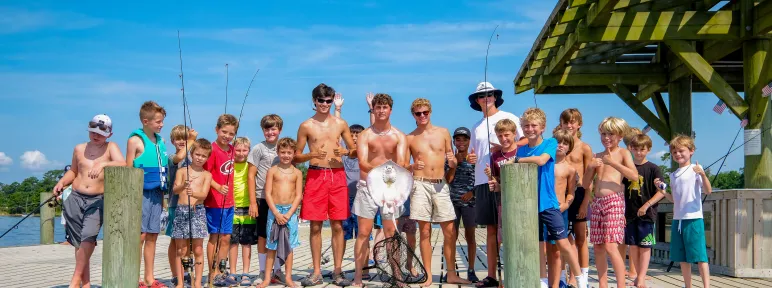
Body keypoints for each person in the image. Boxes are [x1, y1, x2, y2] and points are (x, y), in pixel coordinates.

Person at [497, 109, 586, 288]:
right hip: (529, 207)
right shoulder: (521, 149)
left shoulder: (550, 143)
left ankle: (580, 278)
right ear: (522, 128)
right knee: (538, 245)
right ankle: (542, 281)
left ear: (543, 127)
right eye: (526, 126)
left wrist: (515, 160)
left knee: (563, 243)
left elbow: (541, 160)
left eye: (534, 125)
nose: (530, 129)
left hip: (548, 204)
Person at [294, 83, 356, 287]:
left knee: (338, 224)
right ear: (314, 101)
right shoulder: (306, 125)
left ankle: (338, 271)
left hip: (337, 175)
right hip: (315, 175)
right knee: (315, 226)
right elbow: (296, 157)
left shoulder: (340, 123)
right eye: (321, 100)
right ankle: (317, 272)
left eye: (329, 101)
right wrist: (312, 154)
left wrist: (346, 152)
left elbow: (355, 150)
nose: (325, 104)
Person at [54, 114, 125, 288]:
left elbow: (122, 163)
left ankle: (74, 281)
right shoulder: (79, 148)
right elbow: (73, 171)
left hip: (97, 200)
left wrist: (102, 165)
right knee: (78, 243)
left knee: (88, 238)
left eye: (101, 133)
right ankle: (85, 283)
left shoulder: (111, 147)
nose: (96, 136)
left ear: (109, 134)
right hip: (75, 197)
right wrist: (62, 182)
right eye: (93, 132)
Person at [466, 81, 524, 288]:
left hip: (506, 179)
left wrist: (505, 147)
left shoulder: (509, 118)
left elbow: (526, 140)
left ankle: (515, 272)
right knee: (491, 230)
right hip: (483, 182)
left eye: (490, 94)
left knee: (511, 229)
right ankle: (491, 275)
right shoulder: (476, 126)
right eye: (482, 96)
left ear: (496, 97)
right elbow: (473, 153)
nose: (486, 98)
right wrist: (471, 159)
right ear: (477, 100)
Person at [406, 98, 468, 286]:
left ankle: (451, 273)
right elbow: (402, 165)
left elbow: (453, 161)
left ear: (430, 112)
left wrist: (453, 162)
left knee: (450, 231)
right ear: (413, 115)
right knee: (424, 232)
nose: (422, 116)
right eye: (418, 113)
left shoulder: (443, 132)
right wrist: (412, 165)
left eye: (425, 112)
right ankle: (427, 275)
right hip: (420, 184)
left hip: (441, 184)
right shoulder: (409, 138)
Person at [351, 93, 409, 288]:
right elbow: (363, 162)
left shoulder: (399, 136)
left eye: (385, 107)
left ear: (390, 110)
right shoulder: (365, 135)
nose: (381, 110)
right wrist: (382, 174)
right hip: (367, 188)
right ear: (373, 109)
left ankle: (397, 276)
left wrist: (387, 180)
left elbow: (401, 163)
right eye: (378, 107)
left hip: (391, 189)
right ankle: (358, 276)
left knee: (391, 233)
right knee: (363, 233)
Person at [582, 116, 639, 288]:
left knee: (610, 245)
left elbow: (634, 176)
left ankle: (621, 285)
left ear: (620, 136)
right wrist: (591, 167)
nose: (606, 138)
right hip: (597, 202)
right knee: (598, 246)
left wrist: (612, 163)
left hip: (614, 201)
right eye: (604, 134)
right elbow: (585, 184)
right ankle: (603, 284)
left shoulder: (623, 153)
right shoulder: (597, 156)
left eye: (611, 134)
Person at [658, 135, 712, 288]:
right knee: (682, 257)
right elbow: (674, 199)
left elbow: (708, 190)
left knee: (700, 256)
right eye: (674, 152)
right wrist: (662, 192)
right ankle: (687, 285)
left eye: (681, 151)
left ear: (691, 151)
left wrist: (702, 174)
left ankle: (706, 286)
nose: (678, 154)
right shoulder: (673, 175)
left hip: (694, 219)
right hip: (677, 220)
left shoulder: (696, 169)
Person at [126, 101, 170, 288]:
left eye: (162, 121)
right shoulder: (135, 140)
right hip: (140, 194)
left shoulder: (161, 141)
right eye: (158, 121)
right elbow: (128, 169)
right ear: (146, 121)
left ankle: (149, 277)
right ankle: (133, 276)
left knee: (153, 235)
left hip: (157, 194)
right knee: (140, 236)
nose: (161, 125)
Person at [256, 137, 304, 288]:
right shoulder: (272, 171)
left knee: (289, 246)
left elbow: (298, 195)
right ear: (278, 152)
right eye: (283, 152)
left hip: (290, 213)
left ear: (294, 153)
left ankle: (288, 277)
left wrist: (290, 213)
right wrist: (276, 213)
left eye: (289, 152)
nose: (286, 155)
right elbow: (268, 193)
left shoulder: (297, 173)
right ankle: (267, 278)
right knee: (271, 246)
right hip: (274, 212)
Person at [623, 132, 667, 288]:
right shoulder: (627, 168)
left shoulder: (654, 169)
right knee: (633, 246)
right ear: (631, 149)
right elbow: (621, 188)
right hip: (629, 214)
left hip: (647, 215)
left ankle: (641, 277)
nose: (639, 152)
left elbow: (662, 191)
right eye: (635, 149)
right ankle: (636, 275)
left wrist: (646, 205)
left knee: (645, 246)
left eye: (642, 149)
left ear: (648, 149)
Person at [172, 138, 213, 288]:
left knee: (197, 248)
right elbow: (175, 190)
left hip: (198, 212)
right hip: (181, 211)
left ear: (207, 158)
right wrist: (183, 185)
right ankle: (180, 283)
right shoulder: (182, 171)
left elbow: (203, 195)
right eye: (197, 154)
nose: (200, 158)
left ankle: (197, 283)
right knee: (181, 249)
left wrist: (193, 192)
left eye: (203, 156)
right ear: (191, 153)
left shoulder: (207, 175)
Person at [247, 114, 283, 285]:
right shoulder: (258, 149)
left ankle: (277, 270)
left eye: (273, 128)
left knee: (280, 236)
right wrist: (253, 202)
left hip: (281, 200)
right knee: (263, 235)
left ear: (279, 130)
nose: (270, 132)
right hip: (262, 197)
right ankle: (262, 271)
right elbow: (251, 176)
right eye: (267, 129)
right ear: (262, 130)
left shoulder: (284, 148)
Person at [203, 114, 239, 286]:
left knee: (226, 238)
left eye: (231, 133)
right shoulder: (212, 150)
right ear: (216, 130)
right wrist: (217, 187)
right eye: (224, 132)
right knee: (215, 238)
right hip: (214, 202)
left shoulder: (232, 150)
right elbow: (206, 174)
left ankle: (221, 272)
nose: (227, 136)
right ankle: (212, 273)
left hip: (229, 202)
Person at [559, 109, 593, 286]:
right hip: (562, 194)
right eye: (566, 122)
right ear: (561, 124)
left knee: (581, 238)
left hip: (579, 194)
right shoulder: (557, 144)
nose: (569, 125)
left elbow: (590, 178)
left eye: (573, 122)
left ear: (579, 124)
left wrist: (584, 203)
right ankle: (565, 278)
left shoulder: (584, 147)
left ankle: (583, 278)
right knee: (564, 238)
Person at [444, 126, 479, 283]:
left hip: (471, 203)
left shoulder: (475, 158)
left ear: (469, 141)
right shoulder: (450, 159)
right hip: (452, 202)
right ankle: (451, 270)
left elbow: (481, 179)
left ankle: (471, 270)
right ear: (454, 141)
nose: (461, 142)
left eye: (465, 139)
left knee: (470, 236)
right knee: (451, 237)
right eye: (458, 139)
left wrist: (472, 193)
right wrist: (454, 164)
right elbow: (447, 180)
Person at [166, 125, 197, 287]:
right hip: (175, 205)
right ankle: (174, 274)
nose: (181, 141)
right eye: (178, 138)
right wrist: (191, 140)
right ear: (172, 141)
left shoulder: (193, 159)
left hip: (192, 205)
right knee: (176, 242)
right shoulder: (172, 157)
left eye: (184, 138)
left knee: (190, 242)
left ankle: (185, 272)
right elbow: (179, 158)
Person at [549, 128, 577, 287]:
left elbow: (571, 192)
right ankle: (546, 280)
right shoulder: (544, 163)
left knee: (557, 249)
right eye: (558, 142)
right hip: (542, 209)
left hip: (560, 211)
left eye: (565, 143)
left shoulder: (570, 169)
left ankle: (556, 283)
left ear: (569, 147)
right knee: (544, 248)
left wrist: (566, 205)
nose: (561, 145)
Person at [228, 137, 256, 286]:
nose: (240, 153)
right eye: (237, 149)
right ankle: (232, 272)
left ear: (249, 151)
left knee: (246, 243)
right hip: (231, 208)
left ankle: (245, 273)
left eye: (244, 150)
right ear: (233, 150)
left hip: (247, 209)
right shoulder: (229, 165)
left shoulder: (250, 165)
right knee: (232, 243)